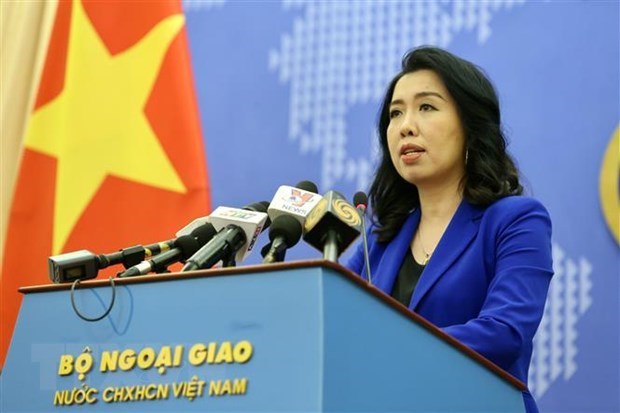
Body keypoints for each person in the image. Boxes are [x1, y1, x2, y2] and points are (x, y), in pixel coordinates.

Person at [346, 46, 553, 412]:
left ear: (470, 127)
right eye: (396, 113)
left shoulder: (517, 221)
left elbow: (504, 333)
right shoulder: (378, 240)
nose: (406, 126)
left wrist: (388, 350)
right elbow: (337, 328)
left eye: (427, 107)